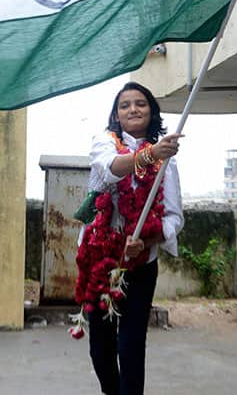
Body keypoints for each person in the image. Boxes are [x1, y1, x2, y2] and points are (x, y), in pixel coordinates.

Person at [74, 81, 184, 395]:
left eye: (141, 103)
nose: (133, 109)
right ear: (116, 114)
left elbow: (174, 218)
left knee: (132, 345)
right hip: (101, 263)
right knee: (101, 348)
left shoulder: (167, 161)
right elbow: (111, 170)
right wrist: (151, 154)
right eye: (125, 105)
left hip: (141, 264)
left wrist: (145, 243)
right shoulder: (103, 142)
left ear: (152, 111)